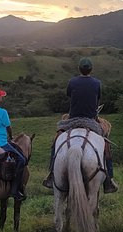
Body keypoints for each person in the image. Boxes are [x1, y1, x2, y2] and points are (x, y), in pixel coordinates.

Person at [42, 57, 118, 193]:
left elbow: (69, 95)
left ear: (79, 69)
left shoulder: (72, 82)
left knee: (56, 140)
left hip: (72, 119)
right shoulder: (97, 83)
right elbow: (97, 99)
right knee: (105, 144)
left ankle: (51, 173)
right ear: (91, 70)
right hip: (90, 120)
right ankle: (109, 178)